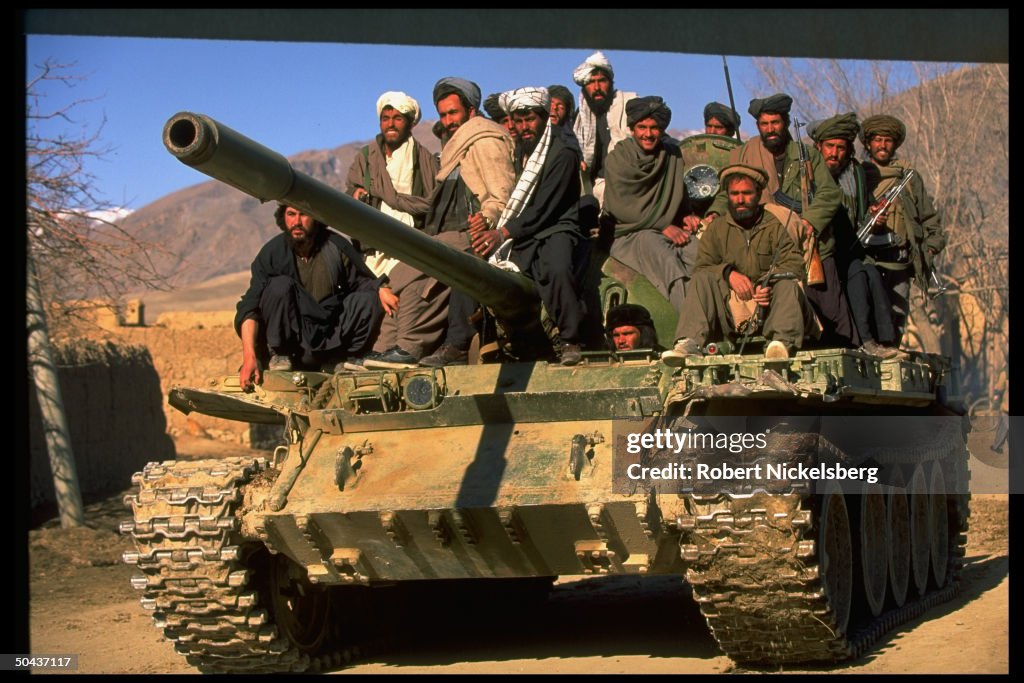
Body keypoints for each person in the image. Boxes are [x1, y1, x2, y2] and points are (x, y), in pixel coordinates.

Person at [449, 86, 589, 366]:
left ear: (544, 117)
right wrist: (486, 222)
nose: (524, 127)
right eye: (518, 120)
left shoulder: (563, 152)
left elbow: (544, 209)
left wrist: (501, 233)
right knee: (470, 269)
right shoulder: (519, 153)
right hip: (521, 232)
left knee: (556, 268)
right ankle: (456, 345)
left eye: (530, 119)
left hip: (555, 227)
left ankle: (571, 340)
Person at [662, 165, 813, 366]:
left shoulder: (775, 224)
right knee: (700, 279)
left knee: (788, 285)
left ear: (758, 194)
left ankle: (781, 344)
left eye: (746, 193)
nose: (740, 200)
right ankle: (689, 343)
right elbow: (703, 266)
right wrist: (728, 273)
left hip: (770, 307)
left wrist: (766, 283)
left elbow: (794, 263)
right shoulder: (716, 229)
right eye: (734, 194)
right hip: (732, 309)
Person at [234, 204, 397, 390]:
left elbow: (361, 281)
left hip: (329, 336)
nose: (297, 222)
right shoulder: (272, 253)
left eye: (304, 214)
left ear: (315, 217)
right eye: (291, 214)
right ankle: (279, 354)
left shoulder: (335, 246)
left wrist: (380, 288)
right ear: (283, 218)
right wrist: (249, 357)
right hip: (293, 347)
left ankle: (341, 360)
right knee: (279, 287)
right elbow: (250, 308)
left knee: (369, 299)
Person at [415, 77, 516, 367]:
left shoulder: (484, 141)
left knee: (460, 269)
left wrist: (486, 218)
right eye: (443, 115)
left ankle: (455, 345)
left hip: (483, 236)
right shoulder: (455, 149)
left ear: (471, 112)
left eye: (453, 113)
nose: (447, 121)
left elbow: (501, 195)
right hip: (448, 233)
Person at [705, 93, 841, 304]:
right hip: (764, 241)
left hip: (807, 240)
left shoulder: (806, 155)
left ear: (785, 123)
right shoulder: (745, 154)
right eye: (764, 124)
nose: (770, 129)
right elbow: (728, 194)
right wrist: (714, 212)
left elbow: (829, 192)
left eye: (775, 122)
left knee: (830, 308)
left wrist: (810, 221)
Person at [344, 91, 442, 367]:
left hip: (410, 244)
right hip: (374, 246)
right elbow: (351, 190)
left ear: (409, 122)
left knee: (403, 293)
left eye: (397, 118)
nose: (390, 123)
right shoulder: (365, 157)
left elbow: (429, 203)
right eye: (386, 118)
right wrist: (356, 194)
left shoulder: (425, 160)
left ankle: (393, 353)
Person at [603, 96, 698, 346]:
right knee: (668, 263)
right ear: (632, 128)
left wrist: (685, 214)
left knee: (699, 254)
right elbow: (621, 208)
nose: (648, 134)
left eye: (654, 128)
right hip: (629, 234)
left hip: (666, 227)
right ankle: (693, 331)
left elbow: (677, 193)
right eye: (642, 128)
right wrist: (661, 225)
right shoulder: (618, 158)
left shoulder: (672, 155)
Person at [809, 112, 900, 358]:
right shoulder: (806, 173)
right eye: (829, 146)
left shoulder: (855, 174)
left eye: (841, 148)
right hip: (816, 251)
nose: (834, 153)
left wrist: (875, 218)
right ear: (819, 147)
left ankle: (876, 340)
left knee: (866, 272)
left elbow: (863, 209)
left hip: (849, 248)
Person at [859, 114, 946, 341]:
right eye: (877, 140)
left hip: (900, 260)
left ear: (895, 144)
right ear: (868, 144)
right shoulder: (858, 175)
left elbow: (928, 217)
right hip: (868, 259)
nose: (882, 145)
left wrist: (930, 248)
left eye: (888, 140)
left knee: (897, 315)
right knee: (868, 314)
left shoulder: (908, 177)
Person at [571, 51, 637, 205]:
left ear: (611, 82)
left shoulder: (630, 104)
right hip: (592, 189)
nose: (597, 87)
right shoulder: (580, 118)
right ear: (584, 87)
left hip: (627, 184)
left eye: (602, 81)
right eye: (591, 82)